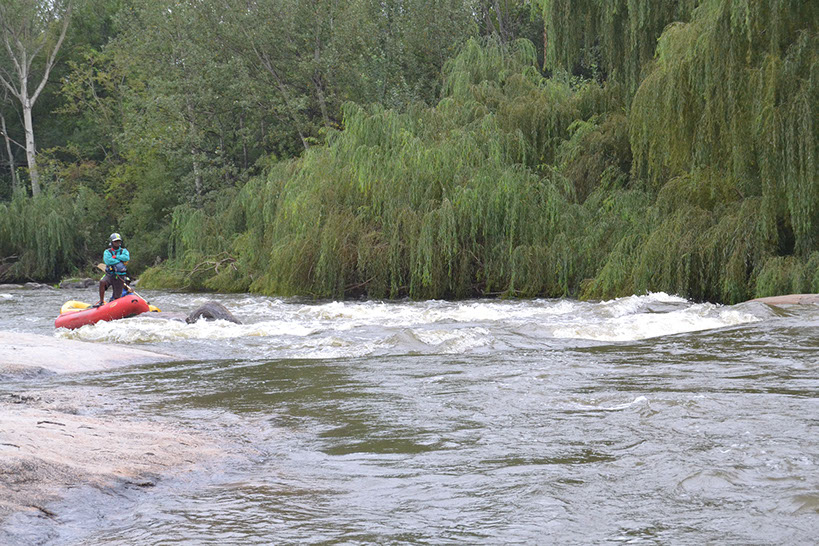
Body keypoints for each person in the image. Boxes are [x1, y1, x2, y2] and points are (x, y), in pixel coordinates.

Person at [95, 233, 131, 307]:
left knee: (116, 297)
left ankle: (114, 304)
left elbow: (126, 258)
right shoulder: (107, 252)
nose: (117, 243)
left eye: (118, 241)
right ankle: (101, 301)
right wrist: (119, 260)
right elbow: (108, 261)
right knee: (102, 282)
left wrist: (115, 257)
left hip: (120, 276)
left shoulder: (124, 251)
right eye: (115, 241)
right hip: (110, 274)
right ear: (112, 242)